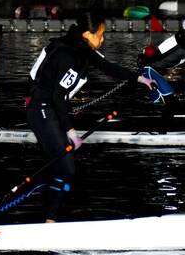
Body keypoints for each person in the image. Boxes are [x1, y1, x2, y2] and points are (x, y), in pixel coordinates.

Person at [26, 12, 155, 223]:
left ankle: (51, 216)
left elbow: (108, 67)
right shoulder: (71, 56)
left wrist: (140, 79)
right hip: (43, 109)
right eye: (100, 35)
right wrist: (71, 132)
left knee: (62, 167)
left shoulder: (80, 48)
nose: (103, 39)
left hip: (47, 108)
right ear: (87, 34)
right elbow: (59, 98)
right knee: (66, 167)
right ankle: (49, 219)